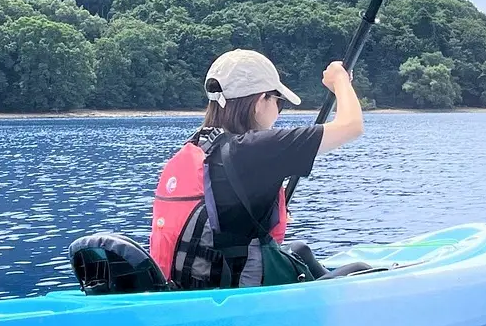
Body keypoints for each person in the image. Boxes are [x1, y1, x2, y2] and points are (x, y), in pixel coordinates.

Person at [148, 49, 366, 289]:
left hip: (192, 285)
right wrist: (340, 80)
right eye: (278, 102)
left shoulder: (198, 147)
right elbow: (351, 126)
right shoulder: (254, 149)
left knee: (299, 250)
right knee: (361, 271)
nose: (278, 112)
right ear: (260, 101)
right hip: (241, 296)